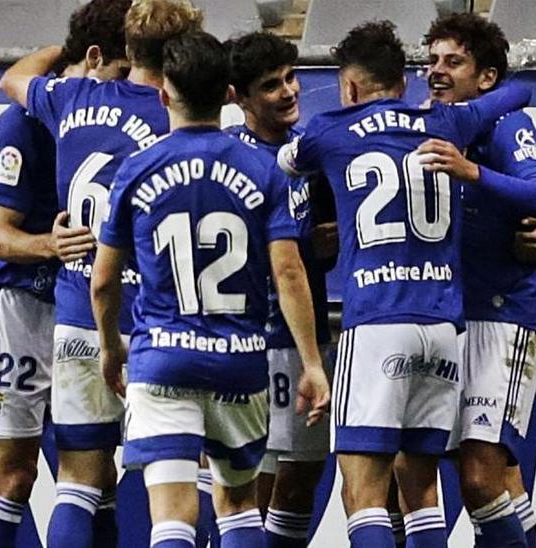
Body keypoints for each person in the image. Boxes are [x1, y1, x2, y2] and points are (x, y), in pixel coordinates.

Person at [277, 21, 530, 548]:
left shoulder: (330, 130)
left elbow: (285, 161)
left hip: (376, 322)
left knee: (363, 492)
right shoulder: (447, 122)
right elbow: (518, 92)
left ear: (349, 87)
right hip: (442, 328)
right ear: (404, 79)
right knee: (420, 488)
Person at [91, 31, 330, 548]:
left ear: (163, 95)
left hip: (162, 358)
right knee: (239, 507)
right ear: (228, 92)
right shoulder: (263, 170)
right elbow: (290, 273)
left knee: (173, 517)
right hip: (240, 361)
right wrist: (312, 362)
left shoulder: (137, 170)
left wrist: (111, 348)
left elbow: (104, 279)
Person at [0, 1, 203, 545]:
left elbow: (15, 78)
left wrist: (64, 54)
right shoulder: (178, 118)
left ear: (127, 48)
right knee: (176, 486)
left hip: (79, 312)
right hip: (158, 321)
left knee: (78, 481)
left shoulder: (71, 97)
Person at [0, 1, 133, 546]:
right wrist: (50, 244)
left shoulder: (109, 118)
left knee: (97, 472)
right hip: (17, 306)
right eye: (123, 73)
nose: (129, 88)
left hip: (77, 305)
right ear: (94, 57)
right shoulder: (26, 121)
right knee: (14, 476)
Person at [422, 13, 536, 548]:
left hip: (502, 316)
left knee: (478, 477)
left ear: (486, 78)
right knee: (494, 477)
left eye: (453, 61)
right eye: (431, 60)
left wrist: (471, 172)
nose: (437, 71)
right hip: (445, 318)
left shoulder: (507, 126)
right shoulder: (429, 127)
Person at [224, 31, 338, 548]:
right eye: (271, 85)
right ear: (239, 97)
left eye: (291, 78)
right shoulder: (232, 160)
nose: (289, 91)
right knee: (257, 488)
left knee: (301, 483)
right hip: (252, 339)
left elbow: (327, 249)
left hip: (305, 337)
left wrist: (326, 243)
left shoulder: (312, 157)